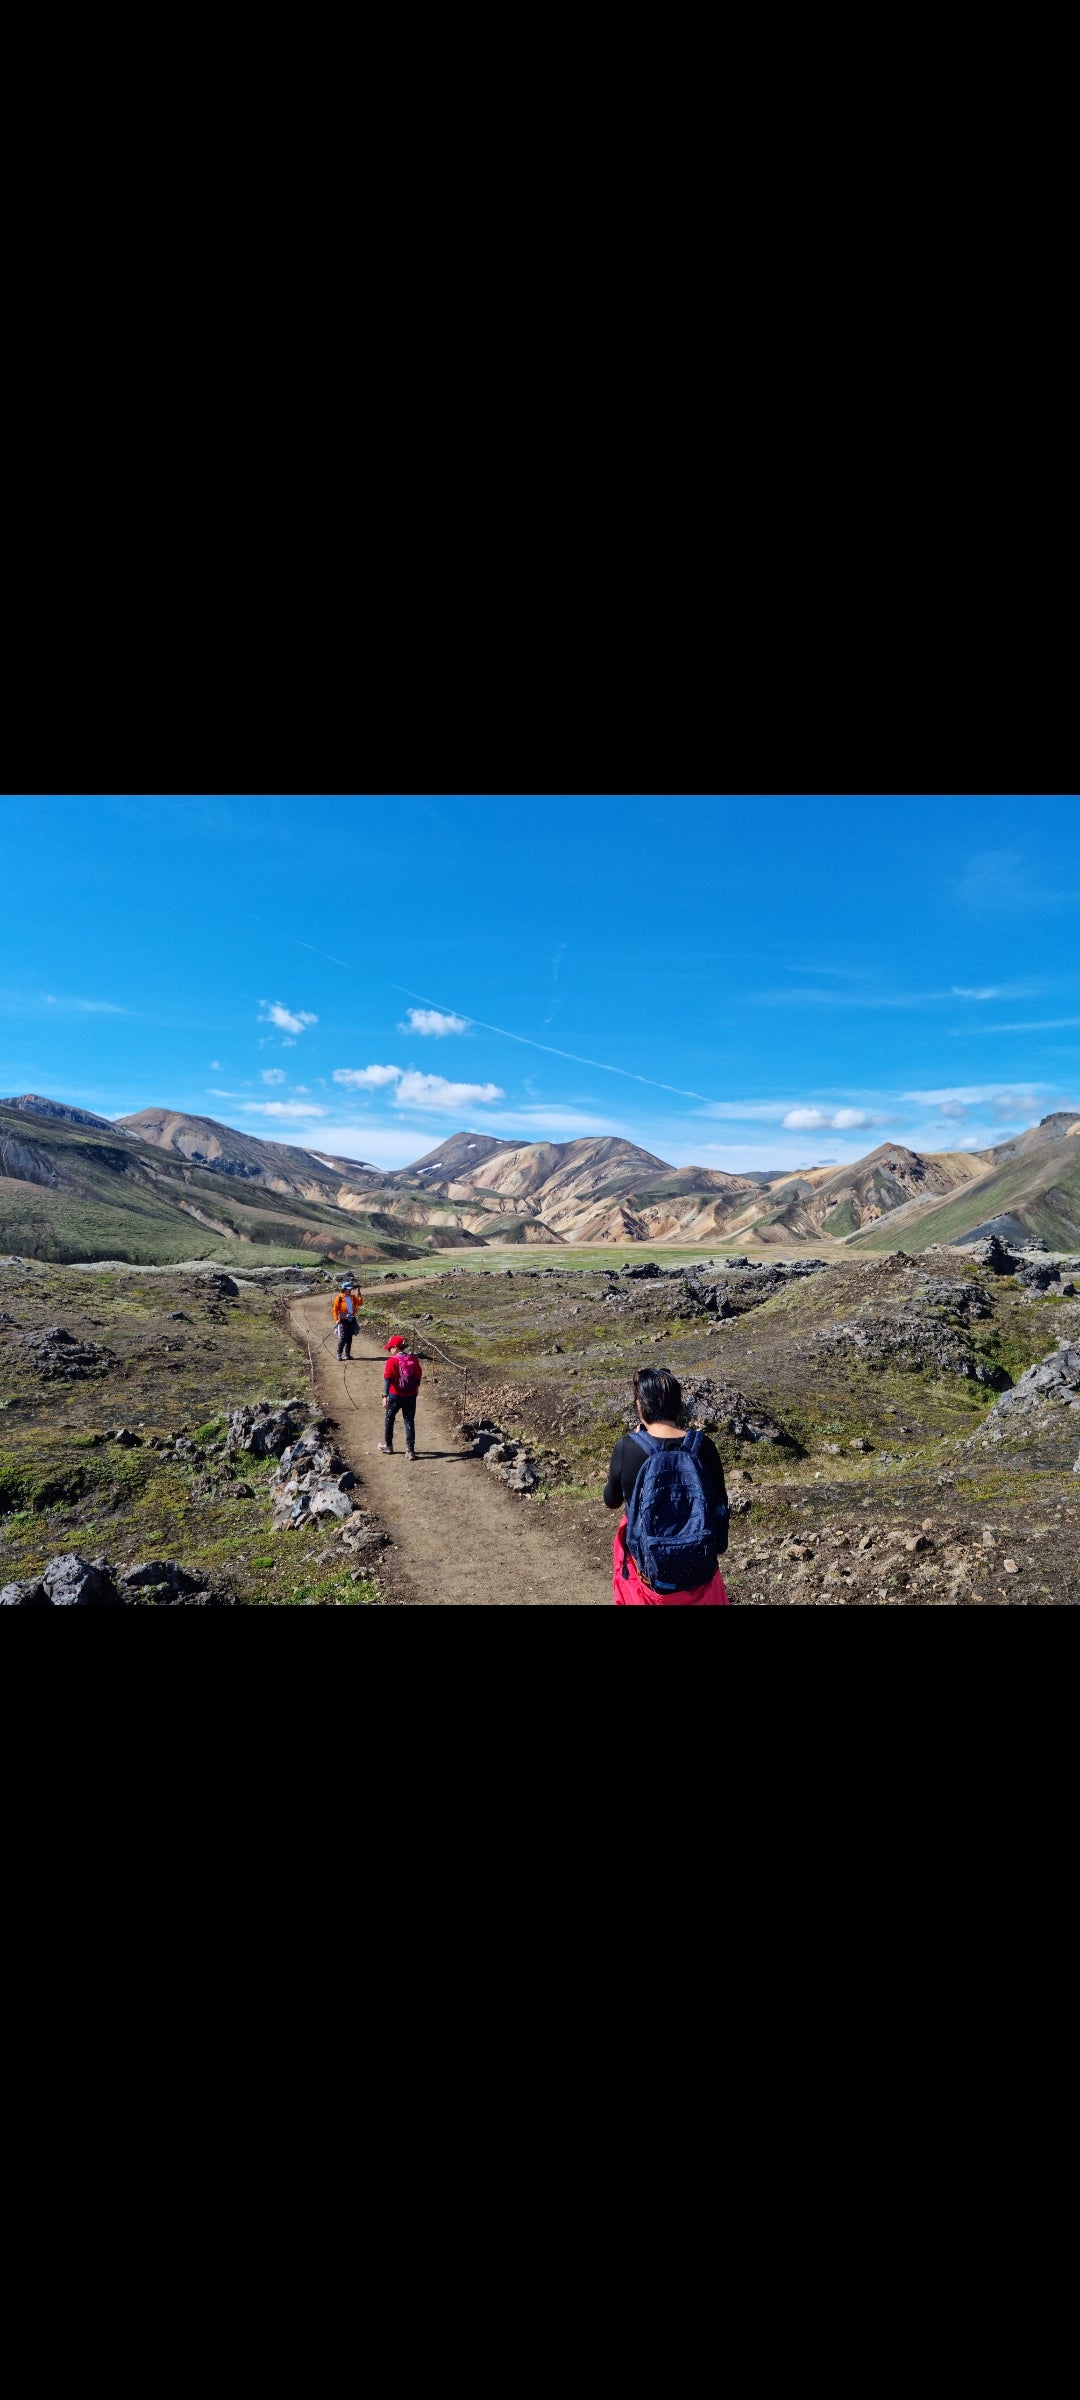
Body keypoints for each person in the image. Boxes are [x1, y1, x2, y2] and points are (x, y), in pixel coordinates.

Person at [604, 1366, 730, 1606]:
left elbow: (611, 1500)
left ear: (641, 1405)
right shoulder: (704, 1446)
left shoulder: (627, 1447)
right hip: (700, 1572)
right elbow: (720, 1505)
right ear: (679, 1405)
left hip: (648, 1577)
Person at [379, 1335, 422, 1461]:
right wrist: (415, 1388)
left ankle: (388, 1445)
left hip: (395, 1395)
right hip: (411, 1395)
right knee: (409, 1421)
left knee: (389, 1419)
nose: (389, 1351)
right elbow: (418, 1375)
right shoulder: (413, 1359)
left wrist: (384, 1396)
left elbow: (387, 1379)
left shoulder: (392, 1361)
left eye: (390, 1348)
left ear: (395, 1347)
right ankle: (410, 1451)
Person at [333, 1278, 363, 1359]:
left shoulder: (352, 1297)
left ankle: (347, 1354)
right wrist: (336, 1320)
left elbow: (360, 1303)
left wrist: (359, 1294)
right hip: (343, 1320)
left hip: (351, 1319)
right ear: (344, 1289)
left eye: (350, 1289)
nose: (350, 1290)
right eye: (348, 1289)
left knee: (349, 1337)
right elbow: (335, 1310)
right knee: (343, 1337)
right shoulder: (339, 1298)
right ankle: (339, 1353)